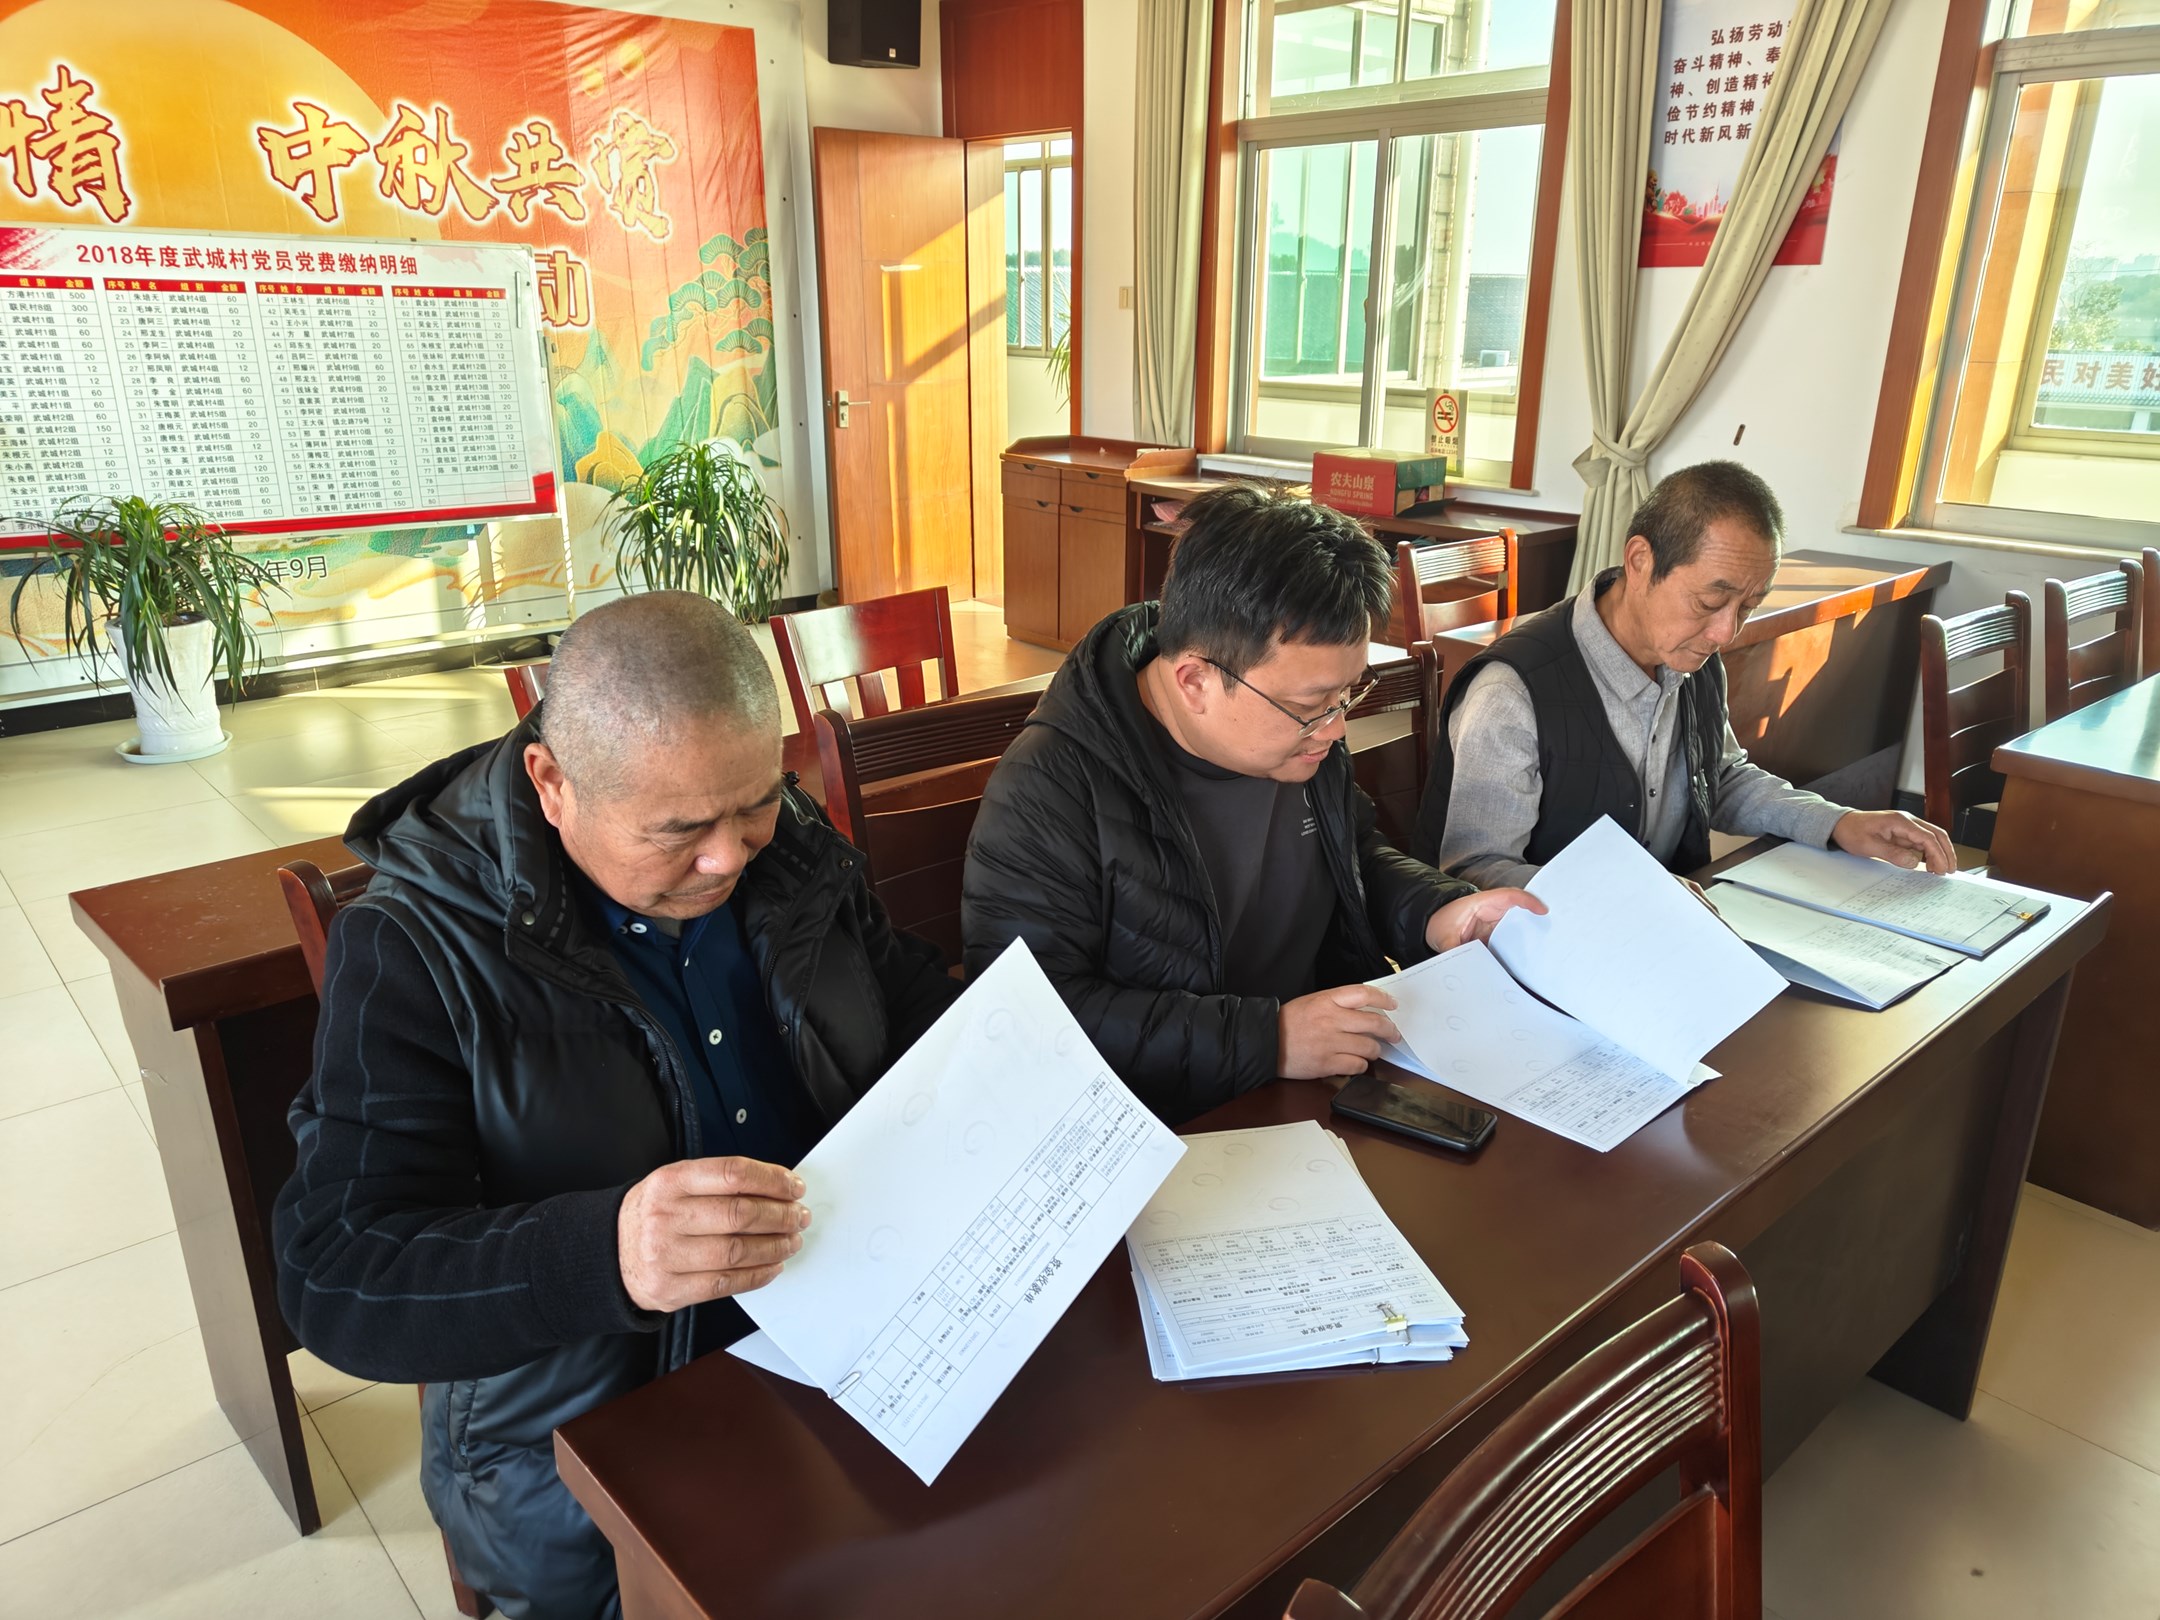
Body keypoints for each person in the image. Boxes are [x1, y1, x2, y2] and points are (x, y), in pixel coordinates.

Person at [272, 592, 958, 1620]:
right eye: (680, 831)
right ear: (552, 784)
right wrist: (608, 1255)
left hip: (857, 1344)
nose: (728, 857)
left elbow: (902, 998)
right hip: (594, 1446)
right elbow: (338, 1273)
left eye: (755, 803)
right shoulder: (416, 946)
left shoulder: (788, 846)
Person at [961, 482, 1542, 1125]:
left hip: (1321, 1086)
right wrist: (1269, 1039)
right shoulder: (1052, 788)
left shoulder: (1296, 733)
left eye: (1345, 695)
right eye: (1310, 706)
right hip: (1171, 1122)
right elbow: (1029, 1017)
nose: (1336, 728)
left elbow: (1350, 855)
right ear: (1195, 682)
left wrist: (1438, 912)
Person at [1413, 461, 1955, 889]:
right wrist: (1635, 897)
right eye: (1710, 601)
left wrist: (1837, 822)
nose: (1725, 632)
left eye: (1747, 607)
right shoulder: (1512, 692)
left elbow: (1718, 777)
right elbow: (1475, 870)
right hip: (1547, 957)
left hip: (1665, 933)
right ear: (1640, 562)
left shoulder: (1691, 657)